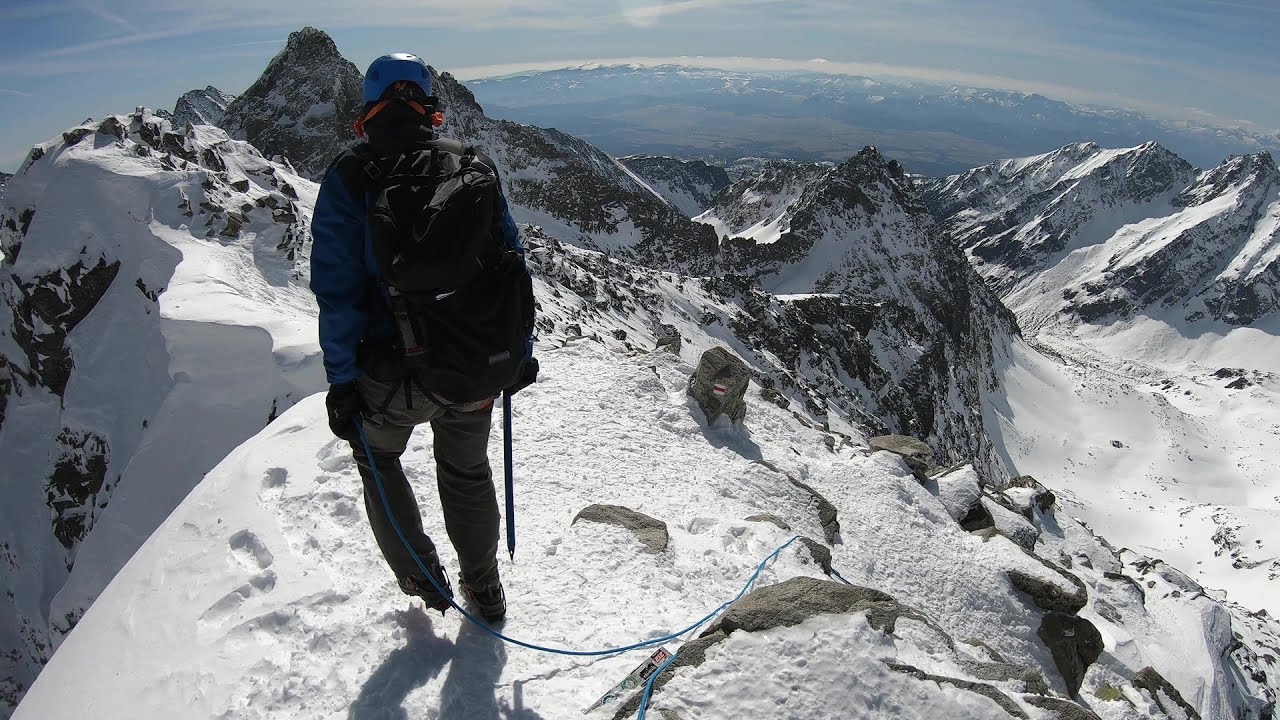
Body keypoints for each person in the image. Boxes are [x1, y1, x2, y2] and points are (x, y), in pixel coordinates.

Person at [310, 52, 532, 624]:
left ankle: (423, 578)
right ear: (429, 106)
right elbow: (512, 265)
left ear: (368, 110)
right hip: (471, 365)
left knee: (377, 461)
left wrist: (341, 384)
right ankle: (484, 587)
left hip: (391, 377)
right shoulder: (470, 164)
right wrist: (517, 357)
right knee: (466, 471)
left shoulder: (349, 180)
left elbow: (338, 296)